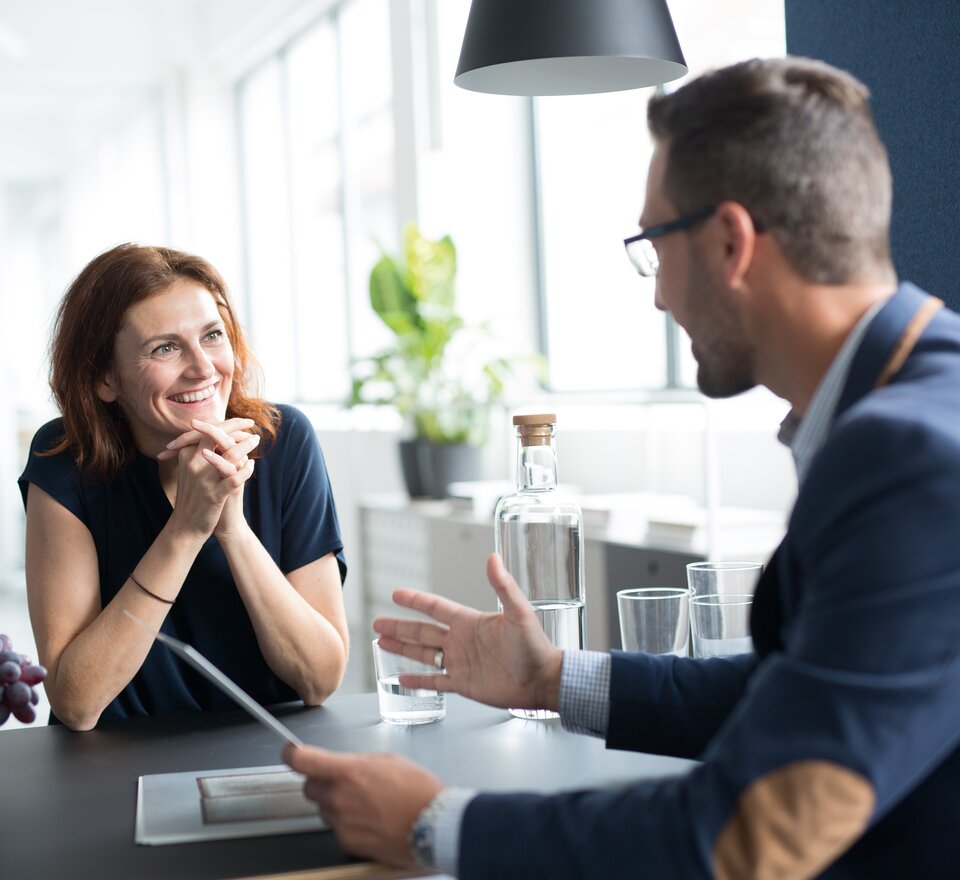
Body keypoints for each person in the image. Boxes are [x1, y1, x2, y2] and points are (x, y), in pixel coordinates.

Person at [283, 56, 960, 878]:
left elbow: (753, 836)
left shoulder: (909, 458)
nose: (658, 296)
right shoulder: (914, 403)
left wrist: (435, 826)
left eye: (654, 243)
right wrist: (554, 677)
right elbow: (801, 690)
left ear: (728, 242)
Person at [19, 244, 349, 731]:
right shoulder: (66, 458)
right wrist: (187, 529)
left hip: (267, 749)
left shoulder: (283, 440)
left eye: (212, 336)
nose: (202, 368)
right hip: (113, 766)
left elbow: (319, 680)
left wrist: (231, 527)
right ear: (105, 378)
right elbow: (77, 703)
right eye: (165, 348)